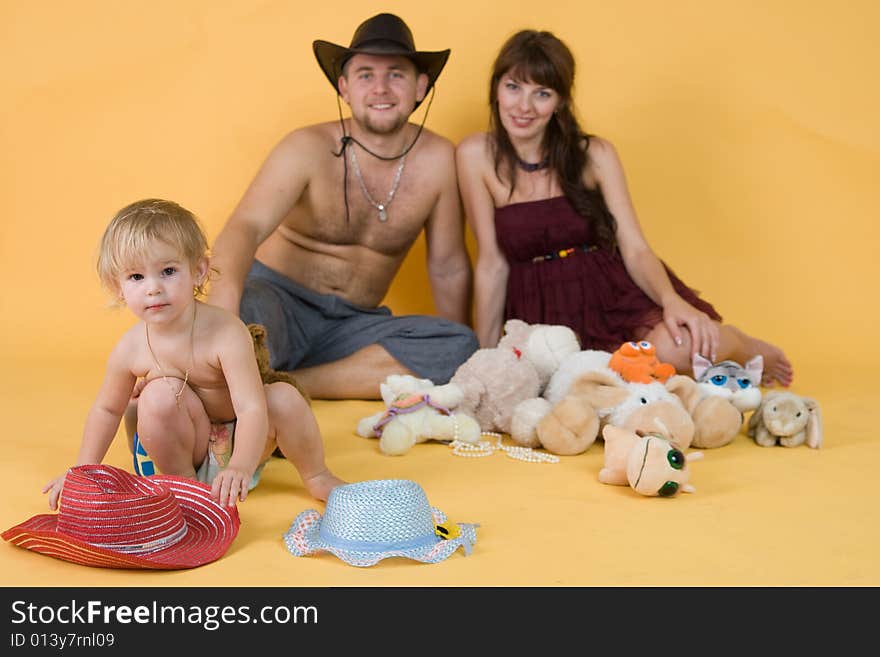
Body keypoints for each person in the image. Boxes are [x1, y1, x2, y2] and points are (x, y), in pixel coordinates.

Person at [456, 29, 793, 387]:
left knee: (677, 349)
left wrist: (670, 301)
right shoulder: (474, 155)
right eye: (513, 87)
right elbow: (491, 263)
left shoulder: (595, 154)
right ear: (496, 89)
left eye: (542, 93)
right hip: (537, 306)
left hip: (608, 289)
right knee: (581, 388)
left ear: (560, 103)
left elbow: (634, 246)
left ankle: (741, 344)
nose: (523, 107)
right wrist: (485, 357)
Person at [208, 13, 478, 399]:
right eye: (366, 75)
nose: (381, 88)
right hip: (278, 303)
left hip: (353, 324)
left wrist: (457, 371)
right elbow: (244, 227)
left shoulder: (439, 161)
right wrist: (222, 309)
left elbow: (448, 266)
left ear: (421, 86)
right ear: (344, 87)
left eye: (396, 75)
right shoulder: (305, 147)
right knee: (235, 321)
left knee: (460, 346)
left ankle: (288, 384)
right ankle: (256, 369)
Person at [43, 199, 345, 510]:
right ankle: (186, 489)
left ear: (198, 271)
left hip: (245, 443)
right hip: (188, 446)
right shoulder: (130, 348)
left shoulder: (226, 332)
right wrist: (81, 470)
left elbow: (251, 407)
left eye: (168, 271)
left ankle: (317, 475)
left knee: (283, 397)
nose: (153, 289)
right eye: (136, 277)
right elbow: (106, 410)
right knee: (154, 396)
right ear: (117, 286)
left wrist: (240, 464)